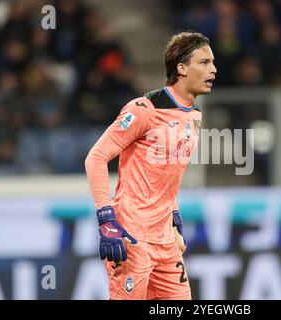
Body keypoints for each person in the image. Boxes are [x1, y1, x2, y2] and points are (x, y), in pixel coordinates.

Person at [85, 31, 217, 300]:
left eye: (212, 62)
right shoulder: (144, 109)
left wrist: (175, 217)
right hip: (132, 237)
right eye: (203, 62)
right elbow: (96, 158)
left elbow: (162, 178)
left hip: (165, 241)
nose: (213, 69)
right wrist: (106, 220)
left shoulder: (193, 117)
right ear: (181, 68)